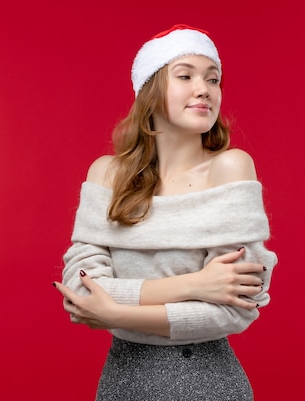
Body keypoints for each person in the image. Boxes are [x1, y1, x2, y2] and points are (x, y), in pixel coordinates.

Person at [52, 24, 277, 401]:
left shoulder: (231, 168)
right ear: (150, 91)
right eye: (185, 76)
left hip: (209, 385)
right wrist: (192, 285)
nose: (204, 88)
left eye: (213, 79)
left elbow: (236, 308)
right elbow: (81, 290)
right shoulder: (106, 175)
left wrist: (117, 315)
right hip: (123, 384)